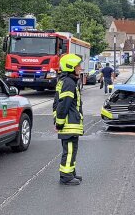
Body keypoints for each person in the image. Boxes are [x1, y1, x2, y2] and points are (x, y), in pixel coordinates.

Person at [53, 54, 84, 186]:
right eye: (78, 66)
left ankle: (70, 172)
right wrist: (59, 122)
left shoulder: (67, 81)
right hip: (69, 123)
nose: (80, 68)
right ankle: (66, 176)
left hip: (70, 122)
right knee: (70, 150)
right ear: (71, 67)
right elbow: (63, 104)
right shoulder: (69, 83)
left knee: (72, 149)